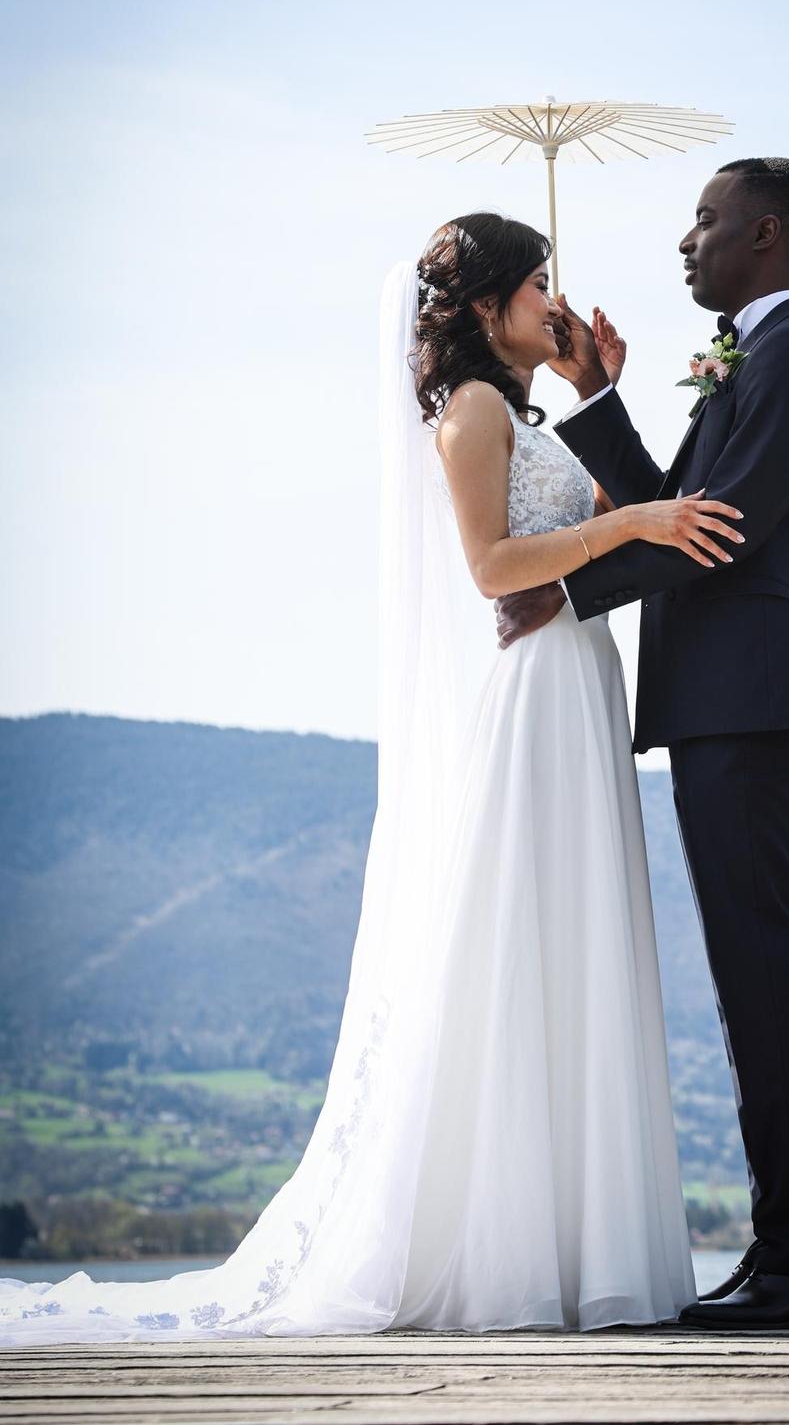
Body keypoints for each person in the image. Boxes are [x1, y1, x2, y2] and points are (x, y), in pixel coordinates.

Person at [0, 212, 745, 1345]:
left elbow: (600, 533)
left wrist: (602, 403)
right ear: (489, 308)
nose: (558, 303)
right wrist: (635, 516)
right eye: (541, 285)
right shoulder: (474, 412)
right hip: (536, 692)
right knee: (531, 939)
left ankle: (577, 1239)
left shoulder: (524, 410)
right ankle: (514, 1252)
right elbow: (494, 567)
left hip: (576, 678)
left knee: (574, 937)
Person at [497, 159, 789, 1331]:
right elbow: (669, 503)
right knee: (749, 979)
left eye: (704, 222)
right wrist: (596, 393)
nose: (684, 242)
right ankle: (784, 1249)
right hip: (721, 704)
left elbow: (725, 534)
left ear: (767, 233)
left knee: (764, 977)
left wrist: (564, 591)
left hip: (748, 704)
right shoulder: (754, 360)